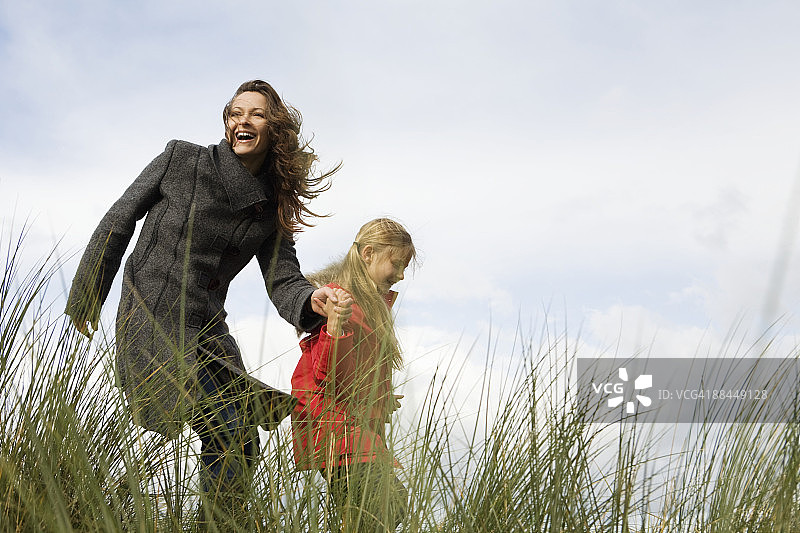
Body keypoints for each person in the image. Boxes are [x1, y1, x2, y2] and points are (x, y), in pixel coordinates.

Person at [65, 80, 339, 526]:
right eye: (234, 113)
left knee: (243, 436)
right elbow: (119, 218)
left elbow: (283, 278)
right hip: (152, 313)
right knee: (227, 425)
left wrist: (314, 299)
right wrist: (88, 295)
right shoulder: (182, 159)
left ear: (275, 129)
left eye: (255, 114)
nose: (241, 121)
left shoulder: (271, 208)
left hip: (208, 329)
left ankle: (219, 521)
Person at [291, 218, 416, 532]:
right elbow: (324, 373)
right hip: (334, 430)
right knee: (386, 504)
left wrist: (381, 397)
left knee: (373, 512)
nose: (401, 275)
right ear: (369, 254)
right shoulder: (336, 299)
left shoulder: (369, 304)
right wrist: (333, 329)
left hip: (353, 430)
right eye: (397, 264)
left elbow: (351, 373)